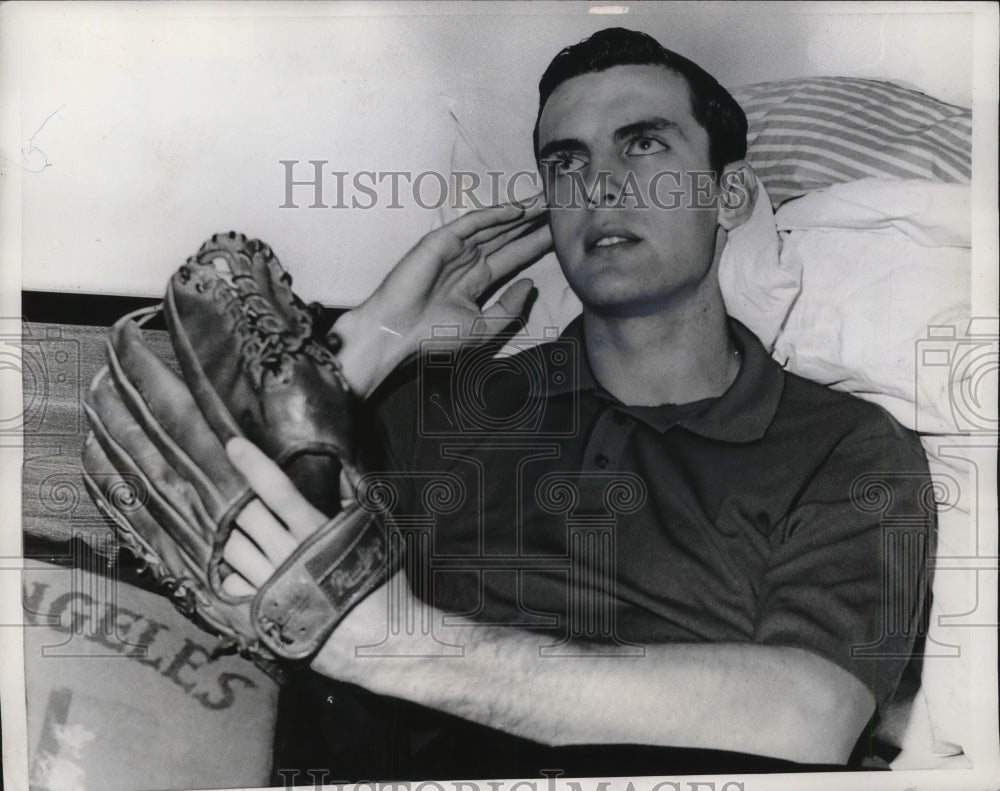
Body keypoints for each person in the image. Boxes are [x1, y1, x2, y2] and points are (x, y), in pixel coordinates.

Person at [220, 28, 933, 779]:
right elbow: (220, 549)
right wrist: (372, 342)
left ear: (728, 195)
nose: (599, 184)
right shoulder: (443, 410)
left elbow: (809, 717)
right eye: (567, 162)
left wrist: (401, 648)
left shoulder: (845, 445)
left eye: (644, 145)